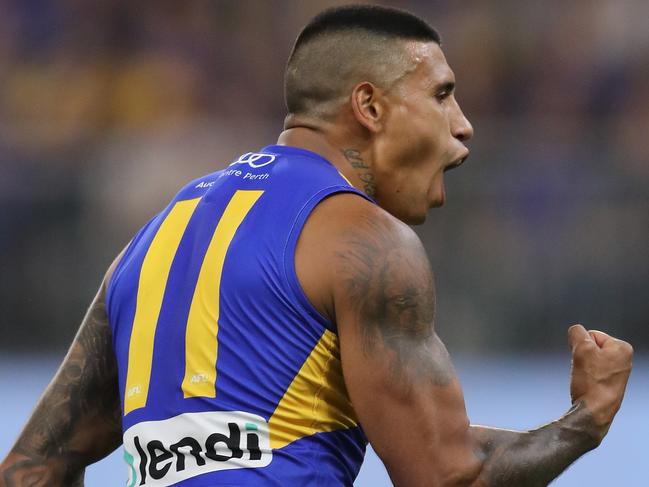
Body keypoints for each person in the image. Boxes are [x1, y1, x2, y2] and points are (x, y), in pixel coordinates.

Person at [0, 5, 633, 487]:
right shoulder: (364, 241)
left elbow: (28, 468)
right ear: (370, 106)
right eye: (441, 94)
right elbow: (448, 474)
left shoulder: (154, 237)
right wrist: (586, 421)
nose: (463, 123)